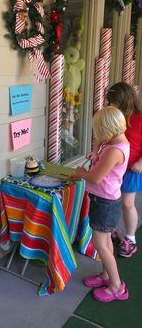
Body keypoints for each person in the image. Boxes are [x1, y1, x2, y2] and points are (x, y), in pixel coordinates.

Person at [71, 106, 130, 302]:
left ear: (108, 130)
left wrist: (81, 174)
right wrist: (97, 154)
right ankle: (106, 275)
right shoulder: (117, 142)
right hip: (106, 200)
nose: (99, 137)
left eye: (100, 133)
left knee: (100, 244)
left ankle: (116, 286)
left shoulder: (114, 150)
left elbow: (95, 178)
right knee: (104, 242)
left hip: (105, 202)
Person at [106, 82, 142, 257]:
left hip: (131, 168)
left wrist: (141, 163)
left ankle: (130, 238)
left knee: (127, 203)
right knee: (111, 201)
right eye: (111, 102)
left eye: (116, 102)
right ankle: (110, 230)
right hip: (113, 167)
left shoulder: (140, 117)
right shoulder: (114, 116)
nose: (113, 106)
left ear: (127, 100)